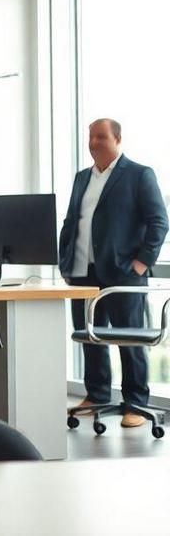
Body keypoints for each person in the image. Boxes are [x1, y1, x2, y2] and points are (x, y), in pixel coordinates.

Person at [59, 118, 168, 427]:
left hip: (123, 277)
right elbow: (71, 222)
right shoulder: (82, 178)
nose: (93, 143)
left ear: (117, 139)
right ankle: (96, 394)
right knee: (92, 339)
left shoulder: (138, 175)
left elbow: (159, 222)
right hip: (83, 275)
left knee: (130, 342)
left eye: (101, 137)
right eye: (91, 137)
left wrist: (141, 264)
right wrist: (64, 261)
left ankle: (136, 402)